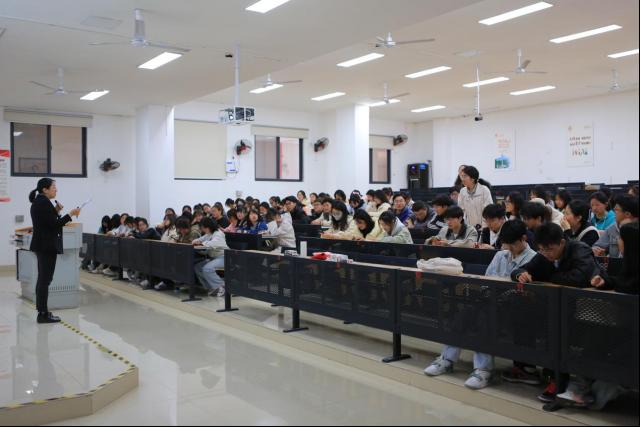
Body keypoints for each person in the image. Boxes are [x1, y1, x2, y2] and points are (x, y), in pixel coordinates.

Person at [426, 220, 537, 390]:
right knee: (464, 313)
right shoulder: (500, 255)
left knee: (485, 318)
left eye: (513, 244)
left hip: (516, 310)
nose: (509, 249)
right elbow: (487, 281)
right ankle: (446, 359)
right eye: (506, 244)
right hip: (491, 301)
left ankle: (483, 370)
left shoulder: (534, 259)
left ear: (523, 238)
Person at [28, 178, 81, 324]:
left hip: (43, 245)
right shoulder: (43, 203)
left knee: (43, 279)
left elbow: (48, 222)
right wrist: (70, 214)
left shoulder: (40, 202)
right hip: (46, 246)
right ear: (45, 189)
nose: (56, 189)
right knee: (45, 280)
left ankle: (42, 311)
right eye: (53, 187)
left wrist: (56, 210)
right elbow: (54, 225)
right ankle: (43, 314)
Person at [193, 217, 229, 297]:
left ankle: (222, 286)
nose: (203, 230)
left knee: (207, 268)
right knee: (197, 267)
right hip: (214, 258)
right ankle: (212, 287)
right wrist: (196, 241)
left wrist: (201, 243)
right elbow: (199, 239)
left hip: (224, 257)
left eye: (203, 228)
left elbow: (213, 243)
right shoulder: (209, 234)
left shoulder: (218, 234)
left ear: (208, 226)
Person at [457, 166, 493, 230]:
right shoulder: (462, 191)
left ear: (472, 178)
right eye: (462, 176)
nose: (462, 179)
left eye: (465, 176)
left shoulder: (484, 190)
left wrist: (483, 228)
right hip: (469, 229)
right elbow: (461, 212)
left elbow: (488, 210)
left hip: (485, 227)